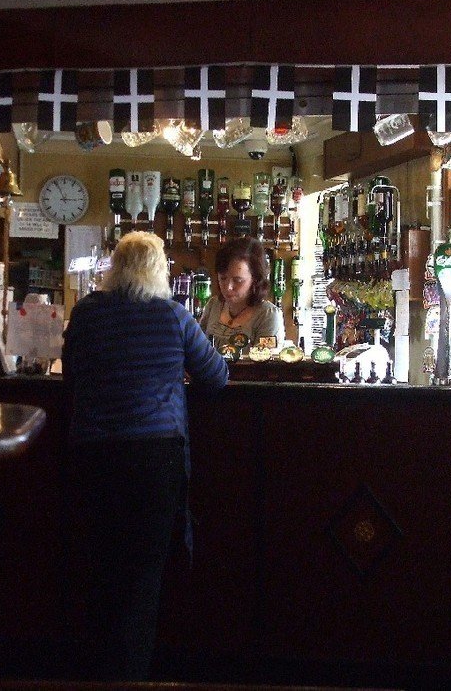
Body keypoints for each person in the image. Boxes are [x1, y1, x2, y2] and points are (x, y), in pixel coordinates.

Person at [61, 231, 228, 681]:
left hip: (95, 457)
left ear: (114, 268)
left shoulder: (86, 314)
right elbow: (216, 377)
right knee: (141, 579)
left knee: (99, 569)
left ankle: (94, 675)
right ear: (160, 272)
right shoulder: (173, 316)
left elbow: (71, 376)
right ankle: (129, 676)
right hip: (154, 460)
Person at [198, 236, 285, 349]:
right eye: (223, 278)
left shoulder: (268, 315)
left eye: (238, 280)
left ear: (255, 279)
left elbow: (266, 364)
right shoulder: (213, 305)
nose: (228, 287)